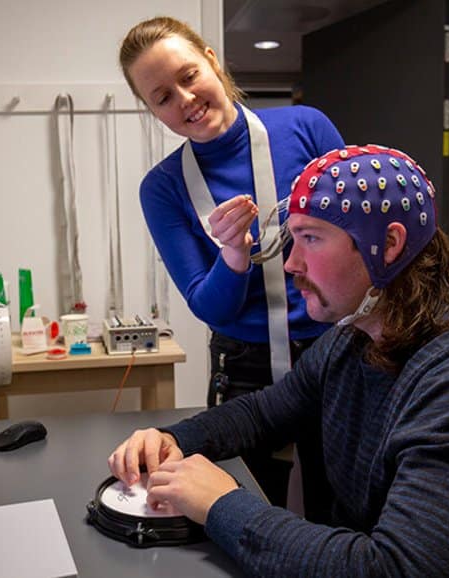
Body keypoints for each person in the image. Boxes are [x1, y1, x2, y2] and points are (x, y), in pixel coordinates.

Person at [108, 144, 449, 576]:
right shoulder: (354, 336)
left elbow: (400, 568)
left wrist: (221, 504)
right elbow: (263, 413)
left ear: (388, 246)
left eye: (310, 238)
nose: (290, 265)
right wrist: (171, 438)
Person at [119, 16, 345, 507]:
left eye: (188, 76)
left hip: (334, 348)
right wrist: (233, 254)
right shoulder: (163, 188)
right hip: (244, 368)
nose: (184, 100)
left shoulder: (306, 128)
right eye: (162, 97)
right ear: (153, 111)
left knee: (341, 505)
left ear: (212, 61)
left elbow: (357, 243)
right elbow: (211, 306)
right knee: (237, 508)